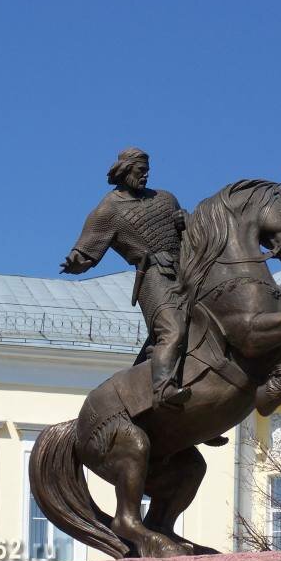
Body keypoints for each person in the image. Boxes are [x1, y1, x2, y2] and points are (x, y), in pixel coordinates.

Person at [61, 147, 190, 408]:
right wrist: (77, 262)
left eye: (147, 172)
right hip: (153, 275)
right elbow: (87, 248)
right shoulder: (109, 210)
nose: (146, 177)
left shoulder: (165, 198)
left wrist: (186, 221)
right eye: (141, 172)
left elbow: (189, 235)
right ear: (125, 171)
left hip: (186, 271)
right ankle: (164, 391)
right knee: (173, 330)